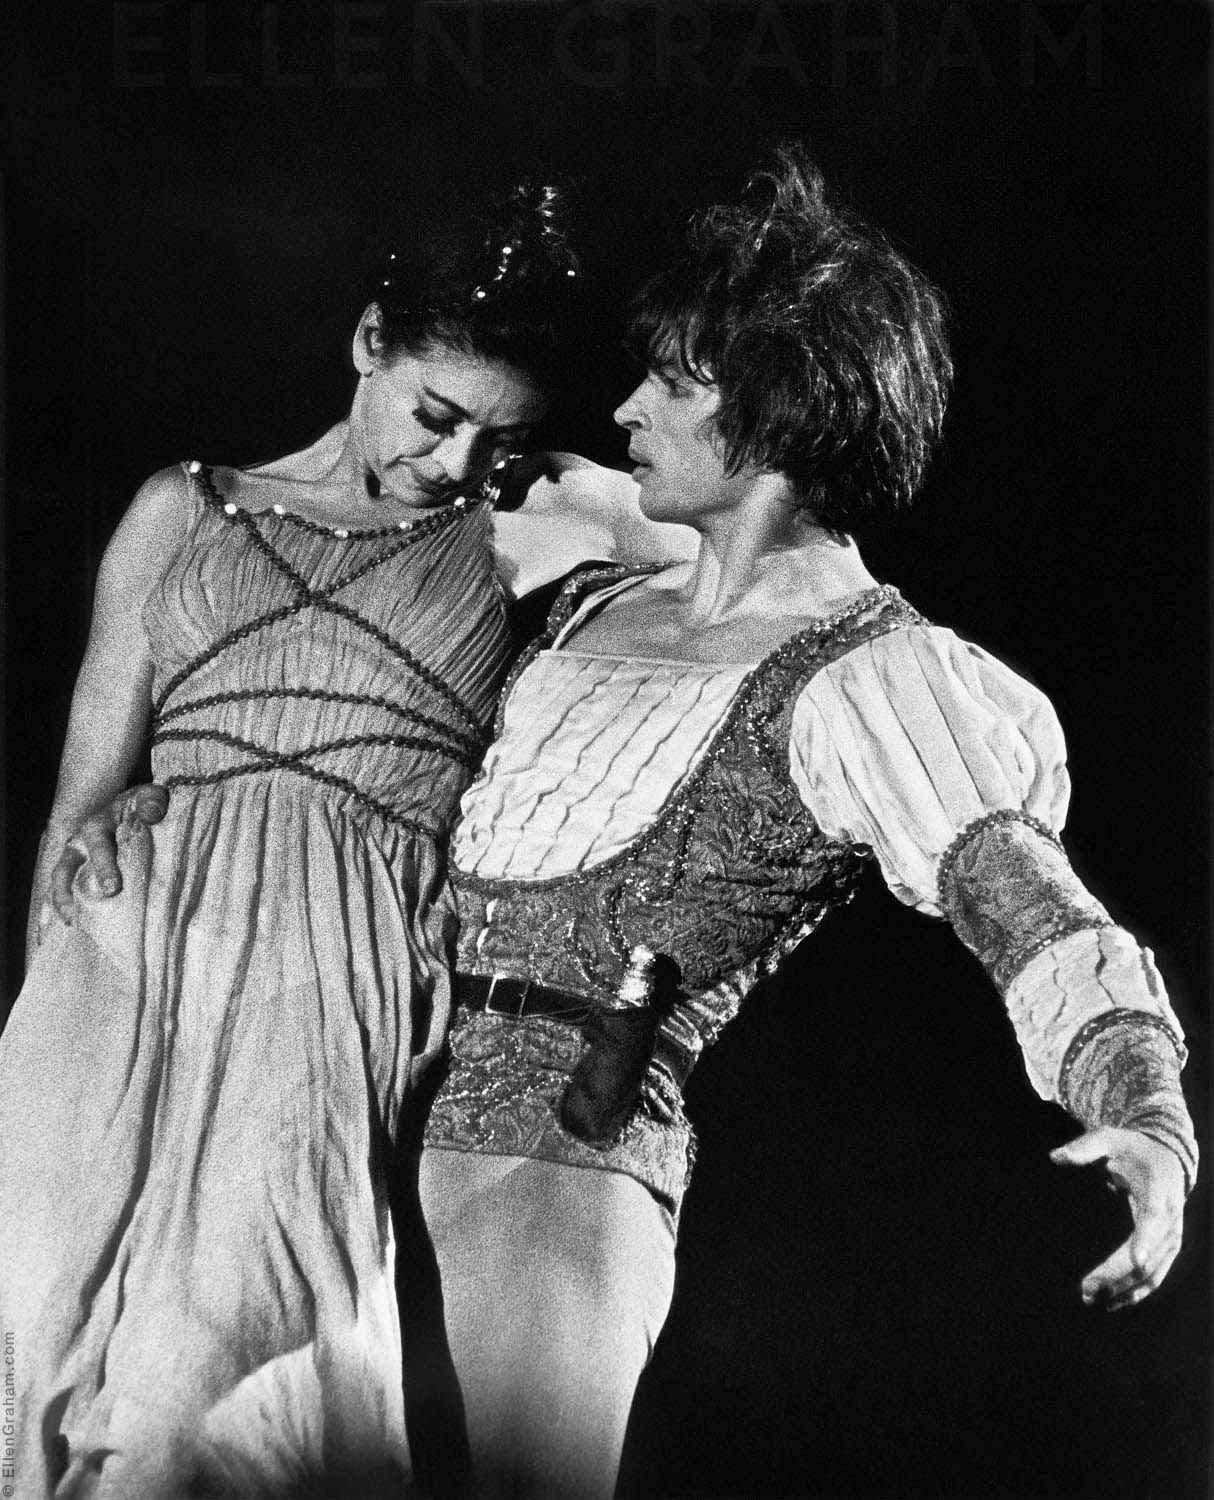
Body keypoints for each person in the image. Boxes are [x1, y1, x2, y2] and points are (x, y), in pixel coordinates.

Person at [49, 149, 1197, 1500]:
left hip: (548, 1167)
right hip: (349, 1105)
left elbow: (1025, 906)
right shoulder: (596, 578)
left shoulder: (871, 677)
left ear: (773, 416)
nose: (628, 401)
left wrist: (1144, 1112)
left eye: (675, 380)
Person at [1, 184, 691, 1500]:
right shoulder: (183, 506)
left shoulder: (517, 529)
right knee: (35, 1320)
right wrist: (48, 995)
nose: (451, 463)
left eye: (496, 438)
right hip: (119, 968)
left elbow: (762, 559)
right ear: (369, 340)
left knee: (218, 1376)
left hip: (332, 972)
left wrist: (584, 486)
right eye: (436, 415)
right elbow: (79, 799)